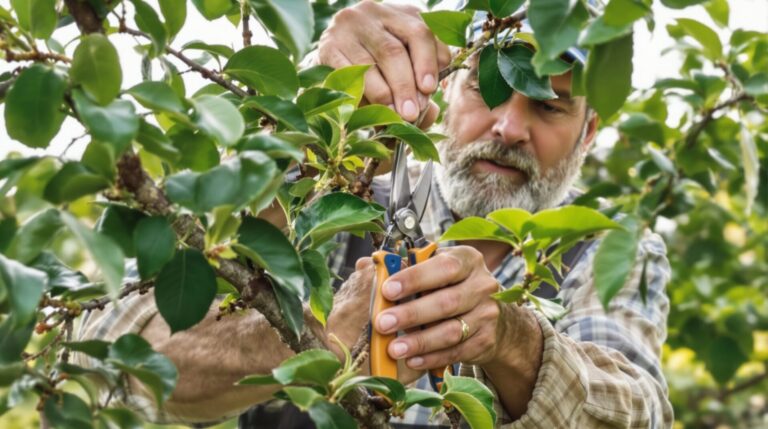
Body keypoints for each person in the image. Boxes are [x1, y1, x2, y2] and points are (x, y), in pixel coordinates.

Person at [76, 1, 674, 427]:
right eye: (488, 86)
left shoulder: (606, 248)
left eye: (549, 105)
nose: (510, 127)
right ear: (441, 83)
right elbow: (106, 353)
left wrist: (513, 341)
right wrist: (309, 126)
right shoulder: (337, 191)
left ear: (589, 131)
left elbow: (635, 411)